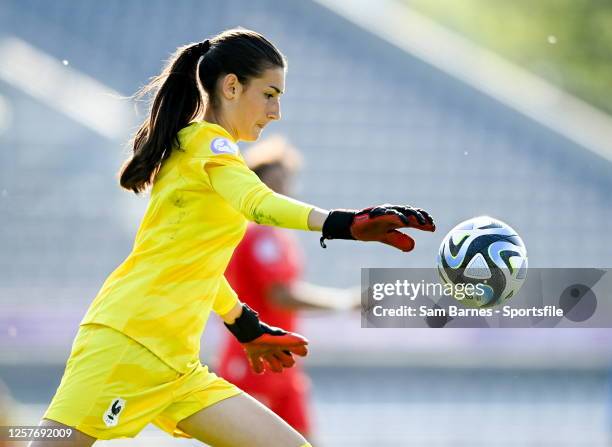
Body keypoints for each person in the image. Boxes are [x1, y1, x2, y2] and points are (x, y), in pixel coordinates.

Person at [31, 28, 435, 447]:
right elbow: (258, 203)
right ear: (231, 86)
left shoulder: (197, 147)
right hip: (127, 343)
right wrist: (344, 224)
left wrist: (243, 324)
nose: (276, 111)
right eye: (269, 94)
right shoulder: (211, 146)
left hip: (177, 367)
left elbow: (195, 261)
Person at [218, 135, 360, 438]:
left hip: (284, 363)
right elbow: (281, 295)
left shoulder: (279, 236)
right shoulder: (254, 234)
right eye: (274, 184)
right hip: (254, 361)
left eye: (285, 183)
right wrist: (344, 302)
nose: (282, 192)